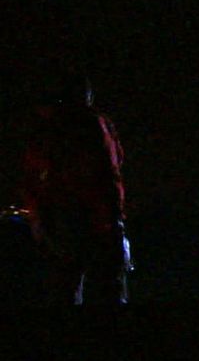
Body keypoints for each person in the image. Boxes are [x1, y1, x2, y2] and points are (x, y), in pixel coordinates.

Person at [20, 73, 129, 305]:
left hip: (67, 221)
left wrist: (38, 218)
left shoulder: (50, 130)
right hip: (94, 221)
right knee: (107, 291)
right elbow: (111, 172)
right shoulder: (99, 125)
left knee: (67, 290)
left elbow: (33, 178)